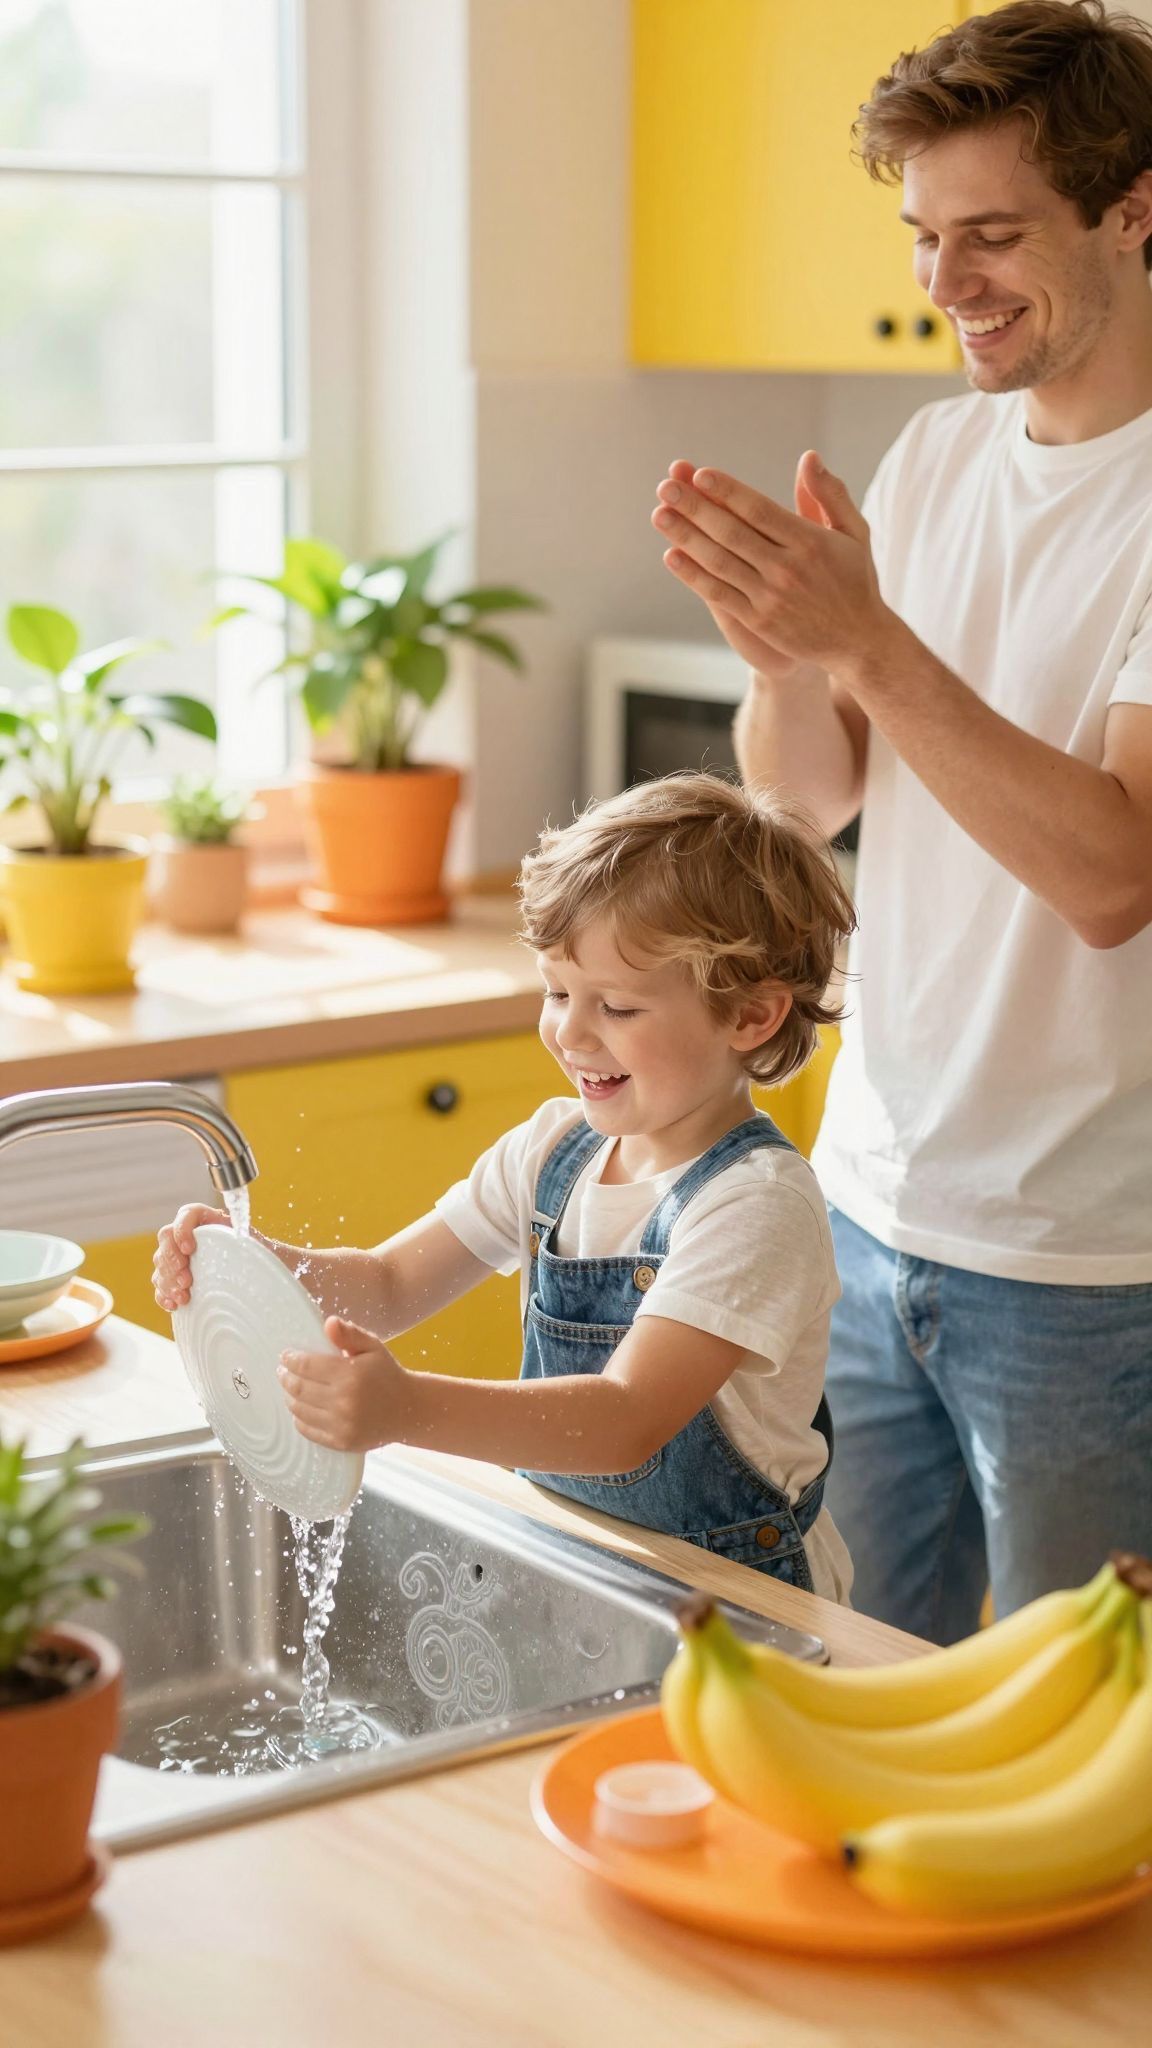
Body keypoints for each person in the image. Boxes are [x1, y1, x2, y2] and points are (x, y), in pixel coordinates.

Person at [649, 0, 1152, 1643]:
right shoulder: (937, 454)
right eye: (925, 236)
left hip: (1088, 1270)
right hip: (866, 1213)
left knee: (1084, 1751)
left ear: (1134, 209)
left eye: (993, 234)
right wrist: (786, 655)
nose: (945, 285)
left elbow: (1110, 871)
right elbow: (810, 792)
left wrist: (864, 636)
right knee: (859, 1684)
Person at [154, 773, 857, 1601]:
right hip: (584, 1563)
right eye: (557, 991)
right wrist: (253, 1265)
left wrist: (405, 1408)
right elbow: (387, 1285)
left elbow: (625, 1418)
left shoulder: (755, 1204)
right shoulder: (552, 1149)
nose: (568, 1029)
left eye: (618, 1007)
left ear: (750, 1017)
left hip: (741, 1599)